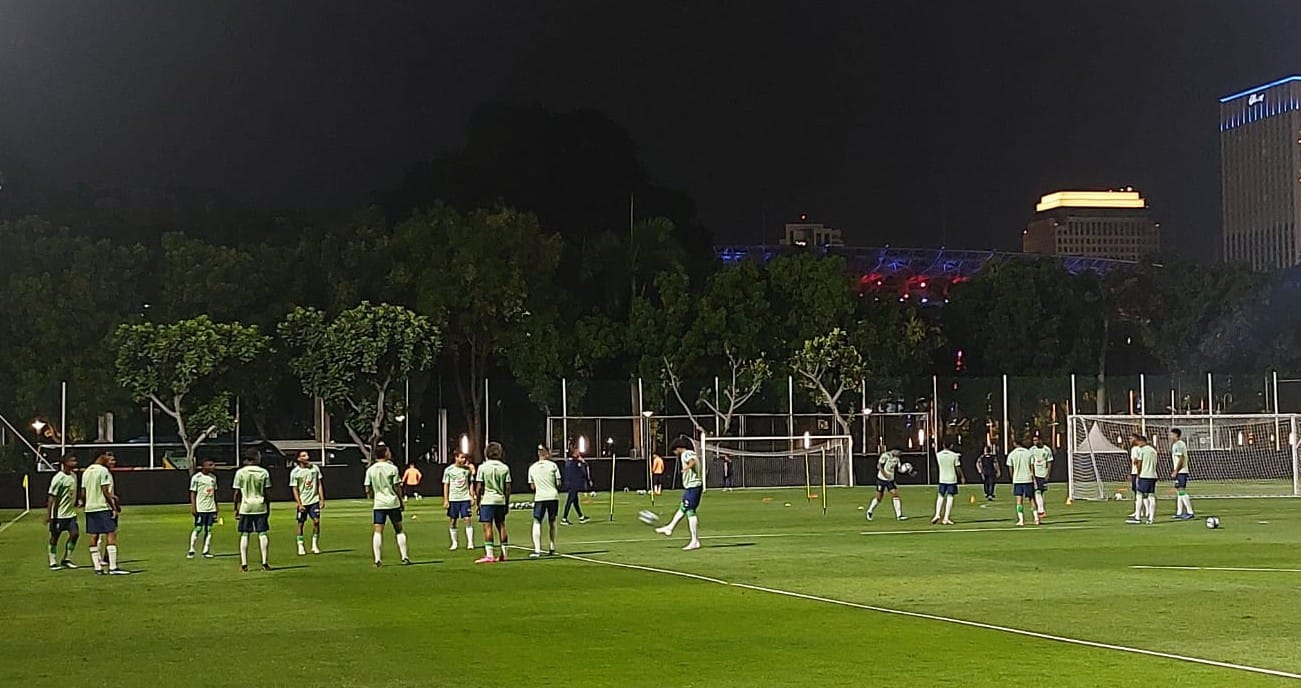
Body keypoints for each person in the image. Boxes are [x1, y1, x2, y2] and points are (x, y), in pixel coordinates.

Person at [81, 452, 128, 575]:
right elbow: (105, 491)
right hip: (103, 507)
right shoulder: (103, 471)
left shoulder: (86, 471)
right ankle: (113, 568)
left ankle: (97, 567)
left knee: (94, 536)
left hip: (90, 508)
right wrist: (113, 507)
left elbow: (83, 492)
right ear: (101, 457)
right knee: (111, 534)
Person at [364, 445, 410, 567]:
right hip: (392, 502)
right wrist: (400, 501)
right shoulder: (392, 468)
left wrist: (373, 496)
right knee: (399, 530)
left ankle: (377, 560)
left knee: (378, 531)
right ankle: (404, 557)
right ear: (385, 454)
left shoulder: (370, 469)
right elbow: (397, 487)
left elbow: (367, 488)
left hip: (379, 504)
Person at [654, 437, 703, 550]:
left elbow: (692, 461)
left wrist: (687, 467)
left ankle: (694, 541)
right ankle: (670, 527)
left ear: (678, 448)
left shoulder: (686, 454)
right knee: (683, 508)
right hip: (692, 486)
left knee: (690, 511)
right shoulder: (692, 453)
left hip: (693, 486)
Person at [232, 449, 273, 572]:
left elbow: (236, 493)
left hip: (246, 507)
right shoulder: (264, 472)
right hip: (260, 505)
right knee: (262, 533)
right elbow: (267, 492)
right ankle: (265, 562)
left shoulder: (240, 472)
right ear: (256, 458)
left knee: (245, 534)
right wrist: (268, 507)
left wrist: (236, 508)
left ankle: (244, 564)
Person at [474, 442, 512, 563]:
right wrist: (506, 501)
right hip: (500, 500)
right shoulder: (505, 468)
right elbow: (508, 487)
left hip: (488, 500)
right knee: (501, 525)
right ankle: (504, 554)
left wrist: (478, 501)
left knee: (487, 526)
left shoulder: (483, 467)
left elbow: (479, 487)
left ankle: (489, 554)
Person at [45, 454, 80, 570]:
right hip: (59, 514)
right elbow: (51, 497)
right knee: (55, 536)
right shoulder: (58, 478)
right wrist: (50, 515)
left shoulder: (74, 476)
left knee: (75, 534)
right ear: (64, 462)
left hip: (70, 513)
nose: (75, 462)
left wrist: (78, 500)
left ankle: (67, 559)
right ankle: (52, 561)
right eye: (72, 460)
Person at [528, 445, 562, 558]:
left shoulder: (532, 468)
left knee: (537, 522)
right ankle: (552, 546)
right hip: (553, 496)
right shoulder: (553, 466)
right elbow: (558, 483)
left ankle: (537, 550)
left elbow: (532, 486)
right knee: (552, 521)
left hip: (540, 497)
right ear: (546, 454)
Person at [290, 451, 325, 556]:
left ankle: (314, 545)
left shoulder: (314, 469)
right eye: (304, 456)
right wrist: (299, 503)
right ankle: (300, 545)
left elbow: (319, 484)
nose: (307, 457)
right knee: (301, 523)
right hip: (303, 502)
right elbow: (295, 489)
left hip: (314, 500)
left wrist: (321, 499)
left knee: (316, 521)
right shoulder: (295, 472)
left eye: (307, 455)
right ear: (299, 459)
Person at [442, 452, 475, 551]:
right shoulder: (449, 470)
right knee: (453, 520)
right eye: (461, 458)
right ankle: (454, 543)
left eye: (464, 458)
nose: (463, 460)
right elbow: (446, 485)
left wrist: (472, 496)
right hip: (453, 499)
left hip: (465, 498)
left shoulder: (467, 470)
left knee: (467, 519)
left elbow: (470, 483)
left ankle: (470, 542)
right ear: (456, 458)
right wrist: (446, 499)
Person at [188, 458, 219, 559]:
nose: (213, 467)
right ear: (204, 466)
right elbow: (193, 493)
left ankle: (206, 551)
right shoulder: (196, 478)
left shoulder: (213, 478)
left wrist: (216, 508)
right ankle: (191, 549)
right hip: (200, 508)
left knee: (209, 529)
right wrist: (193, 507)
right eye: (210, 465)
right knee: (198, 528)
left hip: (211, 508)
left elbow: (215, 494)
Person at [866, 449, 907, 521]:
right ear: (894, 450)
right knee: (879, 497)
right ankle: (869, 511)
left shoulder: (897, 459)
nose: (899, 453)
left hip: (890, 480)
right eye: (898, 451)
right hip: (881, 479)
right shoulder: (885, 456)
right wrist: (885, 475)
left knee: (895, 494)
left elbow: (899, 469)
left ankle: (899, 515)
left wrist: (907, 469)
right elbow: (879, 466)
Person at [1128, 434, 1158, 525]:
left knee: (1139, 495)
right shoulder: (1153, 450)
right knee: (1151, 496)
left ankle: (1137, 517)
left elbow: (1139, 463)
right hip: (1153, 475)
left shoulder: (1142, 450)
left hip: (1144, 475)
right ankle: (1151, 518)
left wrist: (1138, 474)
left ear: (1141, 441)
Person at [931, 442, 964, 525]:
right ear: (951, 445)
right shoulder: (954, 455)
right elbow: (957, 467)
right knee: (950, 497)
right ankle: (946, 518)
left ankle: (937, 514)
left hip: (942, 478)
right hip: (951, 479)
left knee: (940, 496)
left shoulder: (938, 455)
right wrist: (962, 476)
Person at [1007, 438, 1037, 526]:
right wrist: (1033, 477)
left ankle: (1021, 520)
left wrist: (1013, 477)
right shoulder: (1028, 453)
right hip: (1028, 479)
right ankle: (1036, 518)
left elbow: (1010, 468)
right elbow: (1032, 467)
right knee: (1032, 499)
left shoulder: (1012, 454)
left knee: (1019, 500)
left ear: (1014, 443)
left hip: (1017, 480)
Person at [1169, 428, 1195, 520]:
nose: (1170, 436)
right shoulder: (1177, 444)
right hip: (1180, 471)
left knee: (1181, 490)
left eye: (1172, 434)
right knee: (1179, 491)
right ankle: (1179, 512)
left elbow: (1181, 458)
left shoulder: (1178, 445)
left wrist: (1176, 470)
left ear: (1176, 435)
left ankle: (1190, 512)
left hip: (1181, 471)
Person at [562, 448, 590, 525]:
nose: (579, 453)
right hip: (573, 484)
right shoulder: (575, 462)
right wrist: (583, 462)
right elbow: (583, 472)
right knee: (570, 501)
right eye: (577, 452)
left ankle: (581, 517)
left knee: (575, 501)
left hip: (570, 484)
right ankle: (564, 518)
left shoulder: (568, 462)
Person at [1029, 436, 1053, 520]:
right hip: (1036, 474)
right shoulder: (1032, 450)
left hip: (1043, 473)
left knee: (1041, 492)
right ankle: (1041, 511)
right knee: (1037, 491)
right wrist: (1032, 473)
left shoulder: (1047, 450)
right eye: (1033, 440)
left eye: (1036, 440)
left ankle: (1040, 508)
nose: (1034, 442)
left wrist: (1048, 474)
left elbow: (1049, 462)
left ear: (1040, 440)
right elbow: (1031, 462)